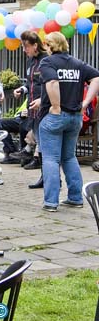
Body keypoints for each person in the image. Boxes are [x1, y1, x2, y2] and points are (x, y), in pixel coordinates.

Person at [38, 32, 99, 212]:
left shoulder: (47, 62)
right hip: (75, 117)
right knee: (69, 157)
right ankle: (75, 198)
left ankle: (51, 202)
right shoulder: (77, 63)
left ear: (50, 46)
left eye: (46, 46)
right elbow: (96, 77)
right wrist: (86, 102)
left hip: (55, 117)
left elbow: (52, 83)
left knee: (50, 159)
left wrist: (55, 106)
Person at [13, 31, 49, 174]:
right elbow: (30, 83)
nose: (24, 50)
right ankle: (30, 154)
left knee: (42, 140)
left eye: (26, 46)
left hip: (44, 105)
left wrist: (43, 99)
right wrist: (22, 89)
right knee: (36, 134)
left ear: (35, 45)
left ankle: (31, 154)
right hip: (33, 105)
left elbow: (50, 84)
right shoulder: (31, 61)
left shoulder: (46, 60)